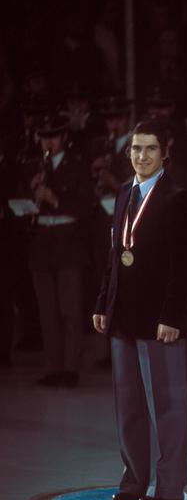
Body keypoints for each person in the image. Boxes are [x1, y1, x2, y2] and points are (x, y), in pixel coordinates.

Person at [93, 120, 187, 500]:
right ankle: (135, 478)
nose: (142, 156)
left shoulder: (177, 197)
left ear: (164, 151)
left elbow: (184, 265)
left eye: (150, 149)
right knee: (129, 402)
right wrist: (104, 301)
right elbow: (114, 256)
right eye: (136, 149)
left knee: (168, 403)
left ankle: (169, 486)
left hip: (159, 320)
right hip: (123, 314)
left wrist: (173, 315)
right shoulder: (124, 193)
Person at [28, 113, 91, 387]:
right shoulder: (31, 166)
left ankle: (70, 368)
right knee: (47, 311)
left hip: (68, 240)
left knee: (69, 309)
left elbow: (86, 206)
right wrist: (31, 195)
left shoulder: (77, 166)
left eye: (53, 136)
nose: (47, 142)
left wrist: (55, 199)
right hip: (42, 240)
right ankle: (52, 368)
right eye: (43, 136)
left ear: (64, 137)